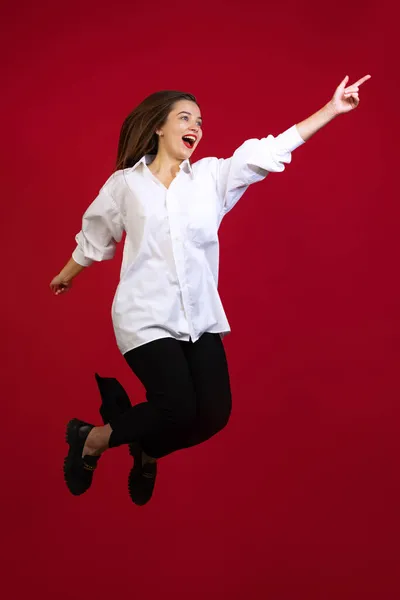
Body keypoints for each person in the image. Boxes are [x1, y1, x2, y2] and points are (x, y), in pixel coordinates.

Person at [51, 74, 371, 506]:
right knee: (177, 408)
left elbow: (274, 148)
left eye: (200, 121)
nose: (196, 127)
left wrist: (332, 109)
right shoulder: (125, 185)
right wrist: (68, 273)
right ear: (159, 127)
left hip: (198, 316)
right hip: (144, 316)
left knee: (212, 416)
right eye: (185, 118)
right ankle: (91, 442)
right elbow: (96, 235)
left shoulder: (212, 178)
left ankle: (138, 445)